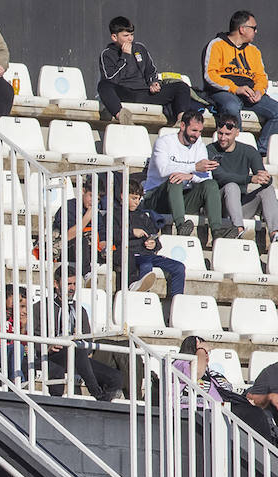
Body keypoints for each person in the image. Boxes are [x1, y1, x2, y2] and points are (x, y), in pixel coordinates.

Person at [203, 10, 278, 157]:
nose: (256, 31)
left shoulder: (254, 51)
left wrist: (259, 91)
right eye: (254, 28)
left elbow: (261, 76)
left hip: (250, 93)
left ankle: (259, 152)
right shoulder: (216, 45)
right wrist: (236, 89)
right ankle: (236, 151)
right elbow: (210, 75)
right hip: (225, 92)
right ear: (242, 29)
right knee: (232, 106)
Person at [142, 109, 226, 239]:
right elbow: (163, 170)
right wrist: (193, 167)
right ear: (182, 126)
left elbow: (207, 176)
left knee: (211, 184)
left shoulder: (199, 146)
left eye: (200, 132)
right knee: (175, 179)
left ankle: (217, 231)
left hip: (183, 197)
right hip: (156, 198)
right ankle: (181, 227)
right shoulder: (164, 142)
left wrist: (191, 176)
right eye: (194, 130)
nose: (197, 135)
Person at [96, 16, 192, 125]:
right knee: (103, 85)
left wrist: (153, 82)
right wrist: (125, 57)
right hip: (123, 92)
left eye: (131, 35)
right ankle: (122, 116)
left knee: (181, 86)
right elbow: (112, 79)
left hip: (144, 92)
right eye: (126, 35)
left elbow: (150, 70)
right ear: (114, 37)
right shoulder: (107, 54)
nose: (130, 39)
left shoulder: (140, 48)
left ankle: (181, 122)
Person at [47, 269, 125, 400]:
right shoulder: (43, 307)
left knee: (115, 377)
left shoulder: (80, 310)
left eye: (74, 284)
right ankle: (96, 392)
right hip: (54, 355)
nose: (72, 288)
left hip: (78, 357)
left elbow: (88, 341)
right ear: (56, 284)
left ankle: (103, 406)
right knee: (76, 350)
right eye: (68, 284)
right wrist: (48, 347)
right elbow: (34, 338)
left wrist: (80, 339)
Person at [210, 115, 278, 244]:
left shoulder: (249, 151)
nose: (223, 138)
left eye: (227, 134)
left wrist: (266, 179)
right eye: (220, 133)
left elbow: (262, 176)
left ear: (237, 132)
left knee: (268, 190)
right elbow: (220, 176)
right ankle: (239, 230)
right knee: (231, 186)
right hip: (218, 205)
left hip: (241, 205)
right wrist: (250, 179)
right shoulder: (210, 150)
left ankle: (275, 234)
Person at [118, 177, 186, 302]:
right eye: (133, 198)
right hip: (131, 254)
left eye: (139, 199)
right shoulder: (116, 213)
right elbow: (113, 234)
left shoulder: (144, 216)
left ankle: (177, 303)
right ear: (123, 196)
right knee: (146, 265)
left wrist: (153, 244)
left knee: (179, 267)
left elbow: (156, 239)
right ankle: (141, 302)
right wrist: (131, 232)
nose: (136, 202)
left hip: (147, 254)